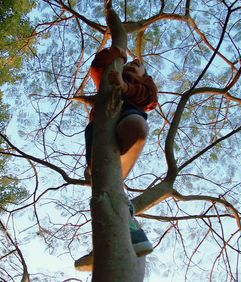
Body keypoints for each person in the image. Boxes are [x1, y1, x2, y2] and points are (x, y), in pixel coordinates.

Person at [74, 3, 158, 272]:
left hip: (126, 120)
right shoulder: (111, 76)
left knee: (137, 127)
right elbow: (97, 67)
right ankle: (120, 232)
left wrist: (126, 86)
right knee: (99, 182)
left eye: (138, 66)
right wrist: (115, 52)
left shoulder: (142, 88)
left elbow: (148, 98)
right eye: (130, 63)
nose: (133, 64)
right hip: (98, 130)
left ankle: (119, 193)